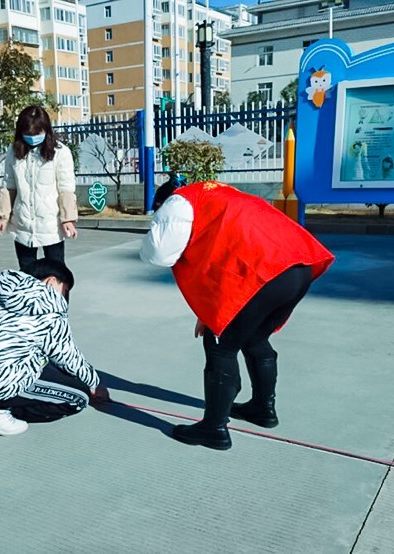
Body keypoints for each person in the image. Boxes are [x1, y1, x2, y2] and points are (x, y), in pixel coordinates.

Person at [140, 181, 335, 450]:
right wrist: (209, 311)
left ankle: (214, 428)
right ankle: (263, 408)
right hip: (297, 267)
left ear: (162, 203)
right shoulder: (222, 195)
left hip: (266, 272)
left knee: (220, 344)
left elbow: (160, 253)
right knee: (254, 338)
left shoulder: (179, 201)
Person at [0, 258, 108, 436]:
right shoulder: (50, 306)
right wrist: (93, 383)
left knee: (43, 361)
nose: (64, 298)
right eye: (65, 291)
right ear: (51, 281)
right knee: (79, 396)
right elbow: (67, 356)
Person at [0, 105, 78, 271]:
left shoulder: (61, 152)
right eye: (28, 134)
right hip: (23, 225)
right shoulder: (14, 151)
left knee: (55, 274)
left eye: (37, 133)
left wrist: (68, 219)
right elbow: (9, 185)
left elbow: (66, 188)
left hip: (51, 226)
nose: (33, 138)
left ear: (46, 130)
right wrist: (3, 216)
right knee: (26, 274)